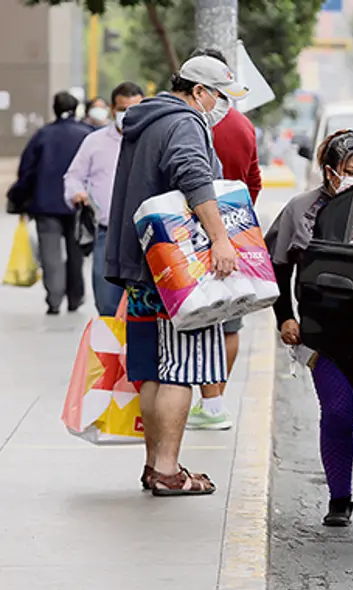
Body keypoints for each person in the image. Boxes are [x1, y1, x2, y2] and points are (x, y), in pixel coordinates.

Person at [105, 54, 249, 496]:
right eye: (221, 96)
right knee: (178, 371)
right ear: (199, 91)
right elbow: (193, 176)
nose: (224, 106)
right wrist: (221, 239)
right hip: (176, 272)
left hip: (144, 266)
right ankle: (167, 470)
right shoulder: (185, 122)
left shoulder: (145, 120)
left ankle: (156, 465)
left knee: (151, 370)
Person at [264, 129, 353, 528]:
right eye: (349, 171)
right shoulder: (300, 209)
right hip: (323, 333)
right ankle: (339, 499)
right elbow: (277, 267)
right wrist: (285, 317)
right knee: (338, 413)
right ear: (330, 170)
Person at [184, 48, 263, 431]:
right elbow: (254, 183)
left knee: (191, 317)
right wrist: (234, 225)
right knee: (230, 322)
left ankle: (195, 397)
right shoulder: (243, 127)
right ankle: (214, 402)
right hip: (230, 233)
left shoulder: (183, 123)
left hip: (184, 235)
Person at [64, 82, 145, 316]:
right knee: (107, 304)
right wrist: (77, 193)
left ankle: (135, 351)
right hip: (107, 234)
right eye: (122, 109)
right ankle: (110, 350)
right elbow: (73, 176)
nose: (128, 115)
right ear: (112, 109)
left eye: (135, 108)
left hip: (145, 235)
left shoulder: (151, 141)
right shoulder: (94, 142)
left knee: (142, 306)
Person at [8, 91, 93, 314]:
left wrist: (19, 198)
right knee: (76, 253)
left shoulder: (42, 135)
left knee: (50, 254)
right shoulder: (87, 134)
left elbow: (27, 172)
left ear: (54, 108)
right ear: (76, 109)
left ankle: (54, 300)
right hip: (78, 205)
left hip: (46, 205)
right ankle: (76, 297)